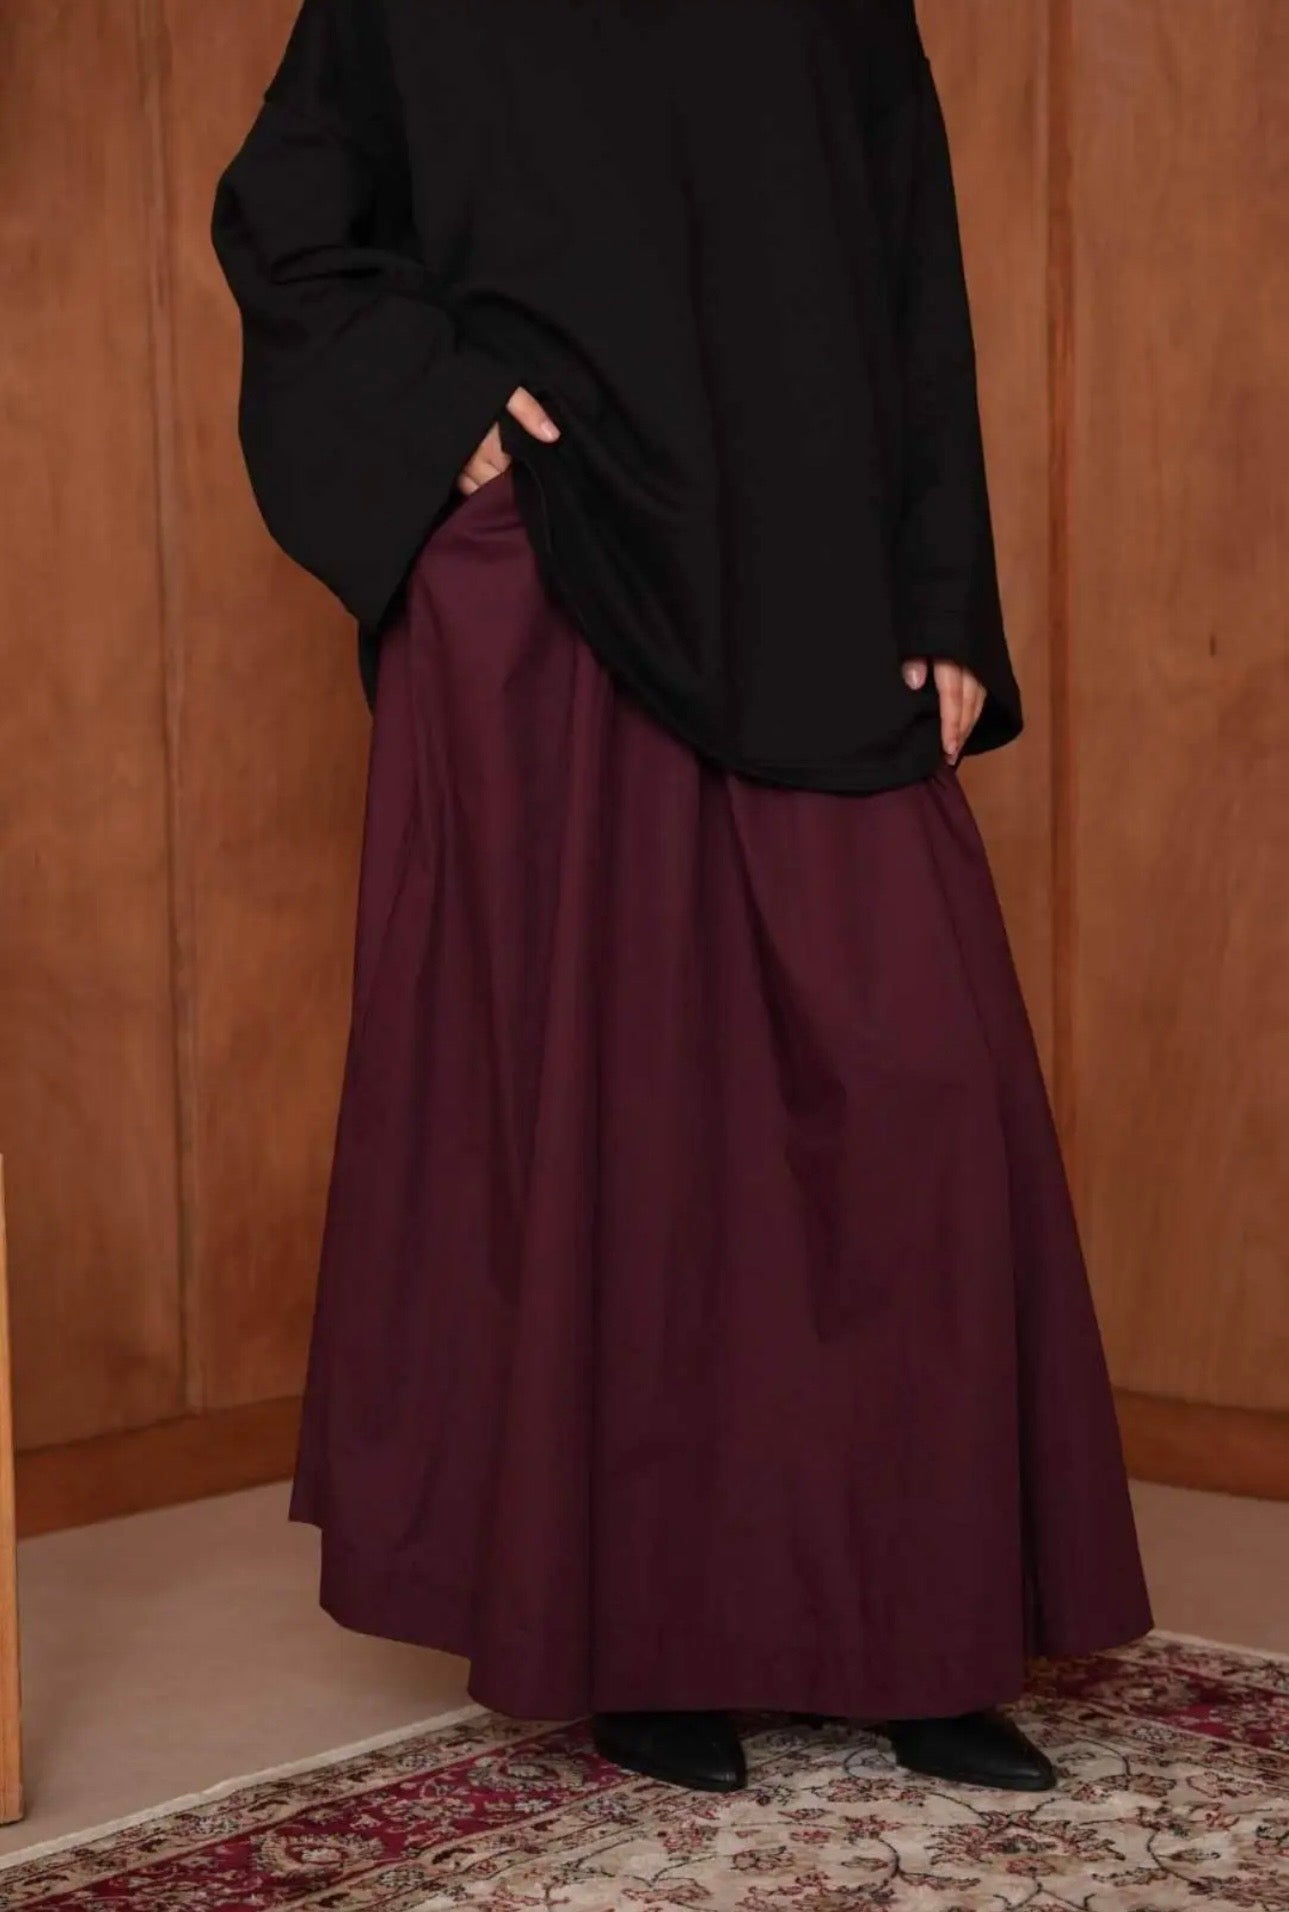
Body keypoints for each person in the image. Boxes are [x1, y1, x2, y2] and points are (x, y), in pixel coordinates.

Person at [212, 0, 1152, 1797]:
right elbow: (291, 215)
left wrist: (942, 588)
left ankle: (919, 1631)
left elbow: (907, 251)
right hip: (553, 573)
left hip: (813, 562)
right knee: (622, 1123)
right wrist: (442, 425)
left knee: (907, 1088)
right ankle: (638, 1637)